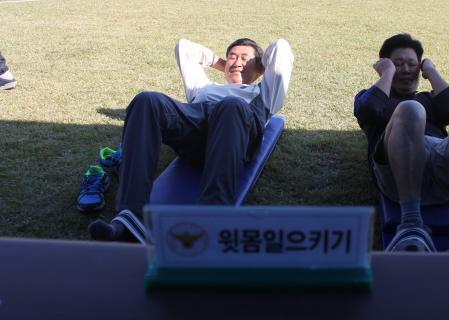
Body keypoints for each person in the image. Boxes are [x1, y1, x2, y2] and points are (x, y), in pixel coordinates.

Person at [87, 38, 294, 242]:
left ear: (259, 67)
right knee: (147, 100)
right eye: (232, 56)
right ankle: (130, 217)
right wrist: (225, 65)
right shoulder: (202, 87)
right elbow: (184, 47)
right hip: (195, 132)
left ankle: (210, 220)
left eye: (245, 58)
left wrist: (258, 67)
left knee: (232, 105)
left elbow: (281, 48)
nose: (237, 62)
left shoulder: (264, 94)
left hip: (236, 134)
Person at [354, 34, 449, 253]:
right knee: (411, 109)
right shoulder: (374, 97)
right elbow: (367, 110)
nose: (406, 69)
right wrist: (387, 73)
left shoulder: (431, 99)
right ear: (385, 66)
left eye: (412, 64)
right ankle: (411, 225)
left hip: (442, 166)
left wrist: (431, 71)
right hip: (397, 173)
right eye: (398, 64)